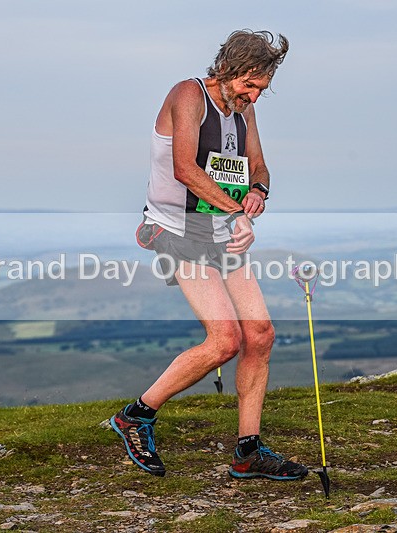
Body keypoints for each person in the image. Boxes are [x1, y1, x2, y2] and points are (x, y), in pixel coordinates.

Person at [111, 29, 307, 481]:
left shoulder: (244, 109)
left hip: (222, 231)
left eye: (261, 88)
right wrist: (237, 213)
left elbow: (259, 167)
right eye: (250, 84)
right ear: (228, 69)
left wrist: (258, 193)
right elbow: (184, 168)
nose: (254, 96)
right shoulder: (188, 95)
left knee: (260, 334)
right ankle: (136, 415)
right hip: (179, 231)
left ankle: (248, 451)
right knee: (224, 341)